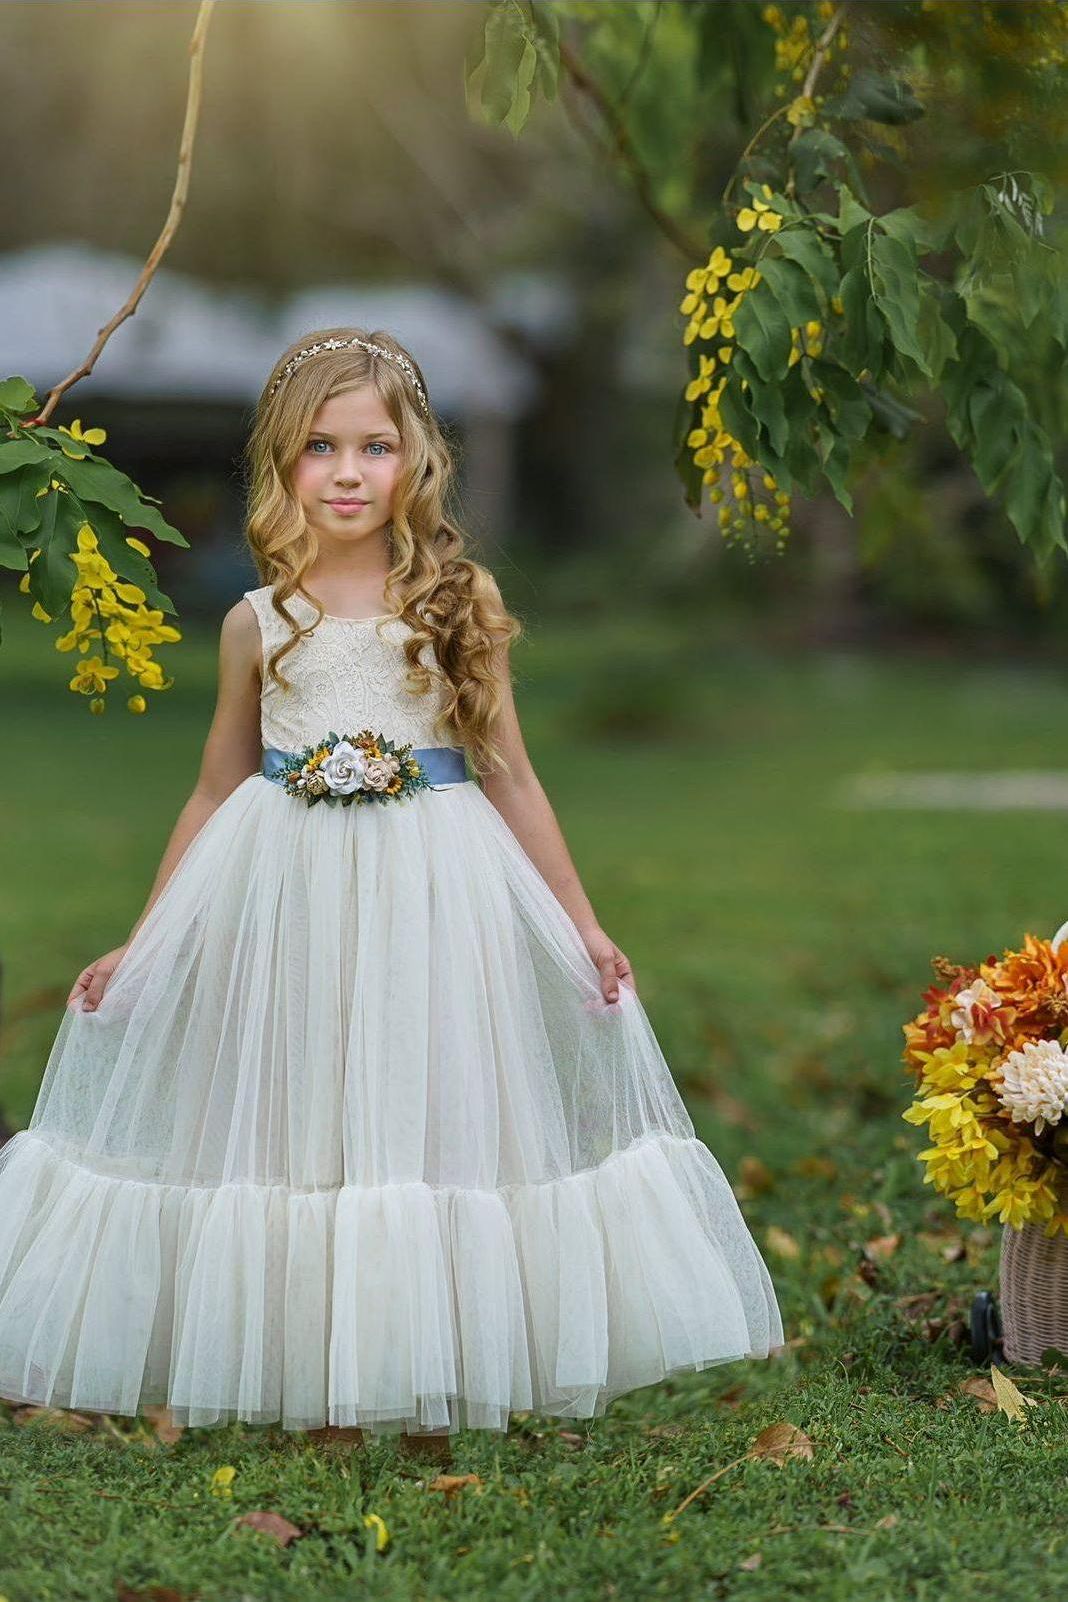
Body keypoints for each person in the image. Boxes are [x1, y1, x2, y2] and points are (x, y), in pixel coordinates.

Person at [0, 327, 785, 1462]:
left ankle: (417, 1364)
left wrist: (582, 920)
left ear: (418, 459)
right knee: (307, 1110)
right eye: (320, 448)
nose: (350, 471)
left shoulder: (457, 600)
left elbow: (510, 774)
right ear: (282, 466)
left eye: (375, 445)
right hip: (287, 895)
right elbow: (217, 786)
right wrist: (145, 942)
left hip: (432, 888)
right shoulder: (257, 622)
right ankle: (317, 1372)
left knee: (418, 1102)